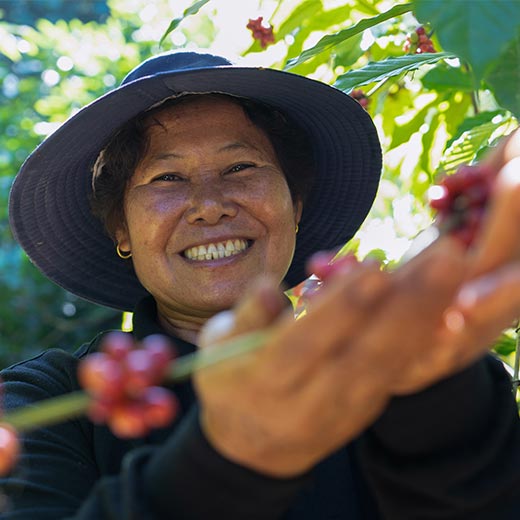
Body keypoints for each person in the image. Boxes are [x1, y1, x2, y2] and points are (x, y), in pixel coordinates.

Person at [2, 50, 520, 519]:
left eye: (241, 167)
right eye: (167, 179)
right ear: (122, 230)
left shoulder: (382, 365)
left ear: (294, 205)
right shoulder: (45, 401)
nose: (210, 204)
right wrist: (234, 454)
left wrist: (437, 401)